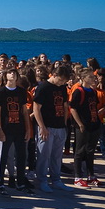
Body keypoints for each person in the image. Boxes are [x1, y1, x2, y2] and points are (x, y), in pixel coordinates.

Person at [33, 64, 72, 192]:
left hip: (60, 126)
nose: (62, 83)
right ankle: (42, 181)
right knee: (44, 155)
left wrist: (64, 123)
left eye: (64, 81)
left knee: (57, 156)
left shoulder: (62, 88)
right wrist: (42, 127)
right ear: (54, 75)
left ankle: (56, 180)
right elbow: (36, 108)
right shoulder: (43, 87)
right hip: (47, 126)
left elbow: (65, 105)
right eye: (60, 80)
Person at [69, 71, 102, 187]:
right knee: (80, 151)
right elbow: (73, 108)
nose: (93, 79)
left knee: (90, 150)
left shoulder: (93, 91)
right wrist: (80, 124)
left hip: (94, 124)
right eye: (90, 77)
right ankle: (78, 177)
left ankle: (91, 175)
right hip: (83, 126)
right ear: (83, 78)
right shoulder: (79, 91)